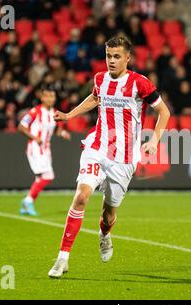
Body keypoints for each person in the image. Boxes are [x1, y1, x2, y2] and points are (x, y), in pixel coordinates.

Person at [48, 36, 170, 278]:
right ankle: (62, 258)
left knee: (109, 212)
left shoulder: (140, 84)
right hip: (97, 147)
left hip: (124, 158)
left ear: (127, 58)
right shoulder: (100, 79)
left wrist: (154, 141)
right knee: (81, 197)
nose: (111, 61)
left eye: (116, 56)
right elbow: (95, 98)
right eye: (108, 56)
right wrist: (69, 115)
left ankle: (105, 234)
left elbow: (163, 111)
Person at [18, 86, 71, 216]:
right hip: (35, 146)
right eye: (47, 96)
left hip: (46, 148)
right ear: (42, 97)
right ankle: (28, 201)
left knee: (40, 178)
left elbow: (58, 130)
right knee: (48, 176)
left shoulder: (55, 113)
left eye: (52, 96)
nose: (50, 99)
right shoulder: (34, 111)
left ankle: (27, 204)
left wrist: (63, 133)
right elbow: (21, 127)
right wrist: (34, 137)